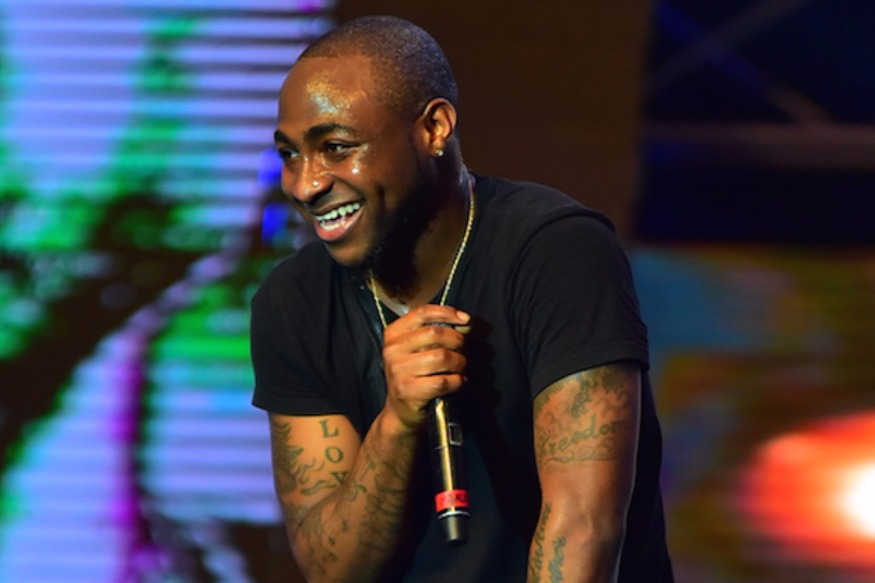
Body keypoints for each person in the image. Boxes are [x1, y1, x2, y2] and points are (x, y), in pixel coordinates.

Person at [250, 15, 673, 583]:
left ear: (434, 128)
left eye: (336, 147)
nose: (305, 184)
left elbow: (582, 527)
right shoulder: (292, 303)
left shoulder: (555, 251)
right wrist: (396, 422)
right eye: (290, 155)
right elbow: (333, 570)